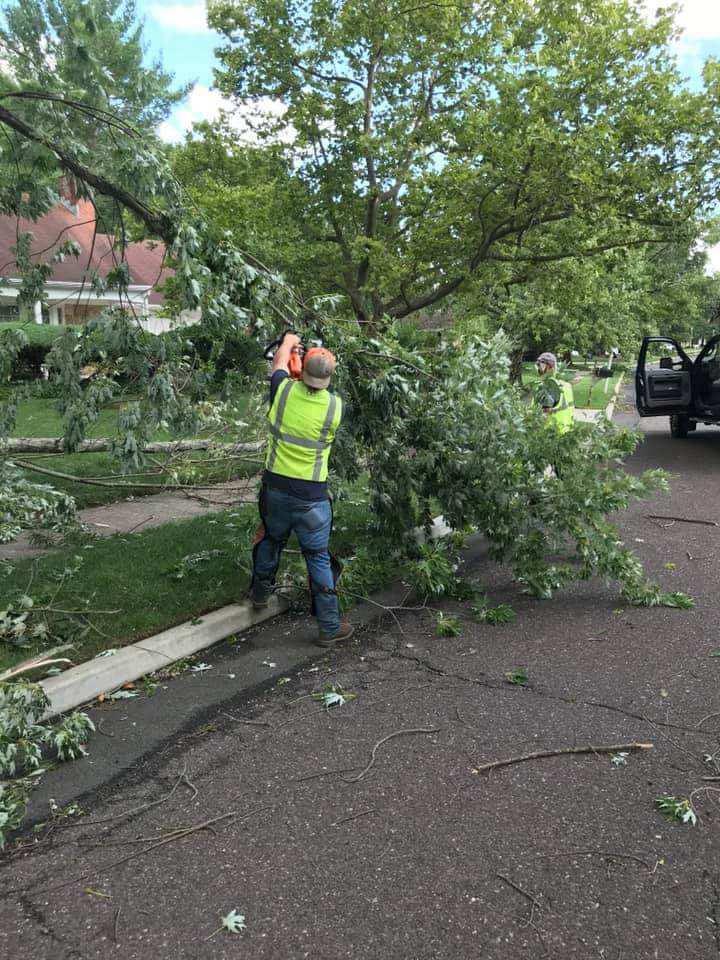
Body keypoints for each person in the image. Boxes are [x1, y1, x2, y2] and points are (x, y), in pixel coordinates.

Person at [250, 332, 354, 647]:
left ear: (301, 369)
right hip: (312, 499)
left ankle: (260, 593)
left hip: (276, 490)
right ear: (328, 377)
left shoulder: (281, 392)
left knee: (270, 540)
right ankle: (328, 627)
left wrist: (289, 342)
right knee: (318, 559)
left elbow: (279, 364)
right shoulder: (336, 407)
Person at [534, 351, 575, 433]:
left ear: (549, 367)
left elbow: (543, 416)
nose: (538, 368)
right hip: (566, 433)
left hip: (549, 435)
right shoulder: (565, 385)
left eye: (540, 365)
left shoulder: (548, 387)